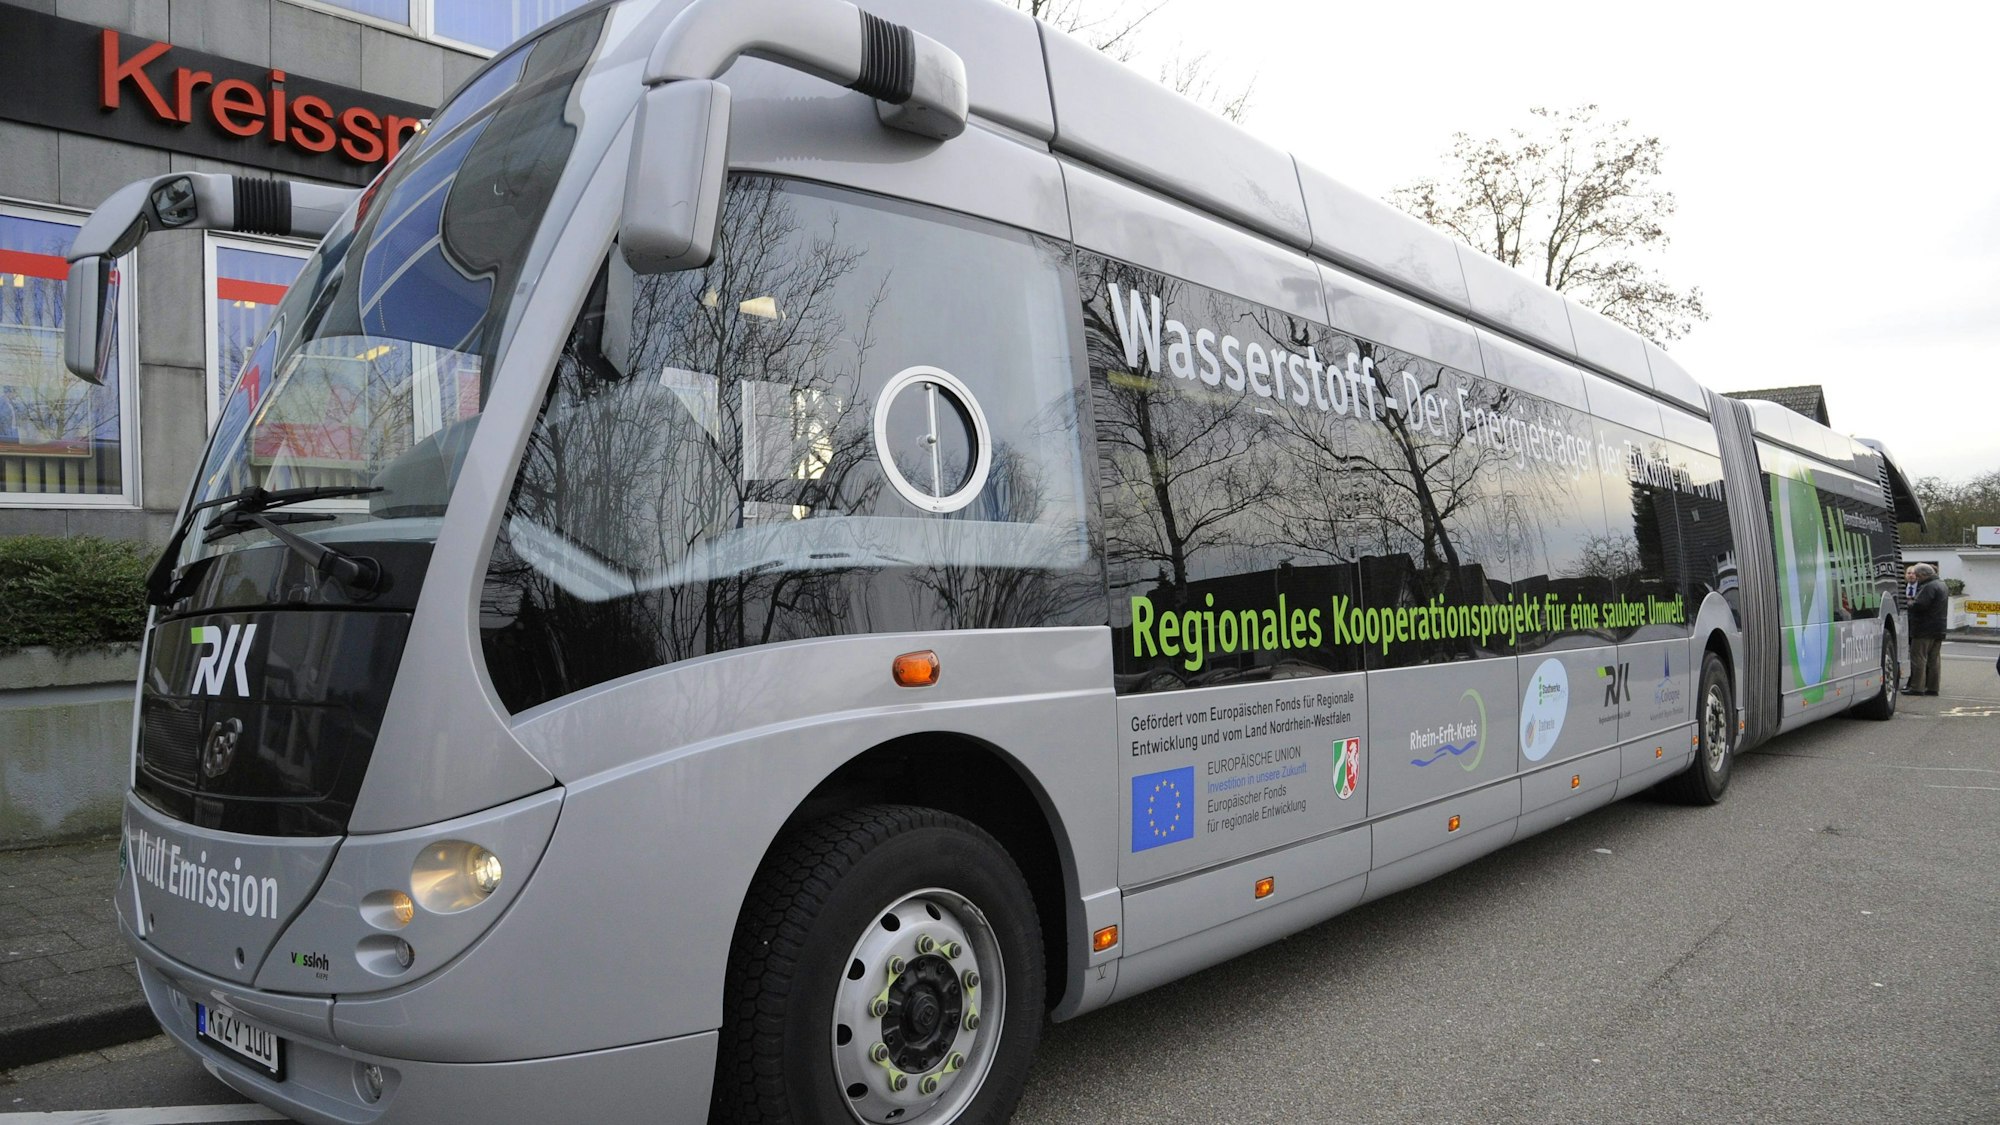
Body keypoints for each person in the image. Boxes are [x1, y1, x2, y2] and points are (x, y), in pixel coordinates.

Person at [1906, 563, 1947, 696]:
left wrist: (1909, 602)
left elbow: (1919, 605)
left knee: (1918, 657)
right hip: (1939, 627)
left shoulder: (1929, 586)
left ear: (1924, 575)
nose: (1916, 578)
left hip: (1924, 628)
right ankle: (1933, 687)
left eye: (1918, 575)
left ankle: (1917, 687)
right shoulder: (1942, 584)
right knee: (1934, 659)